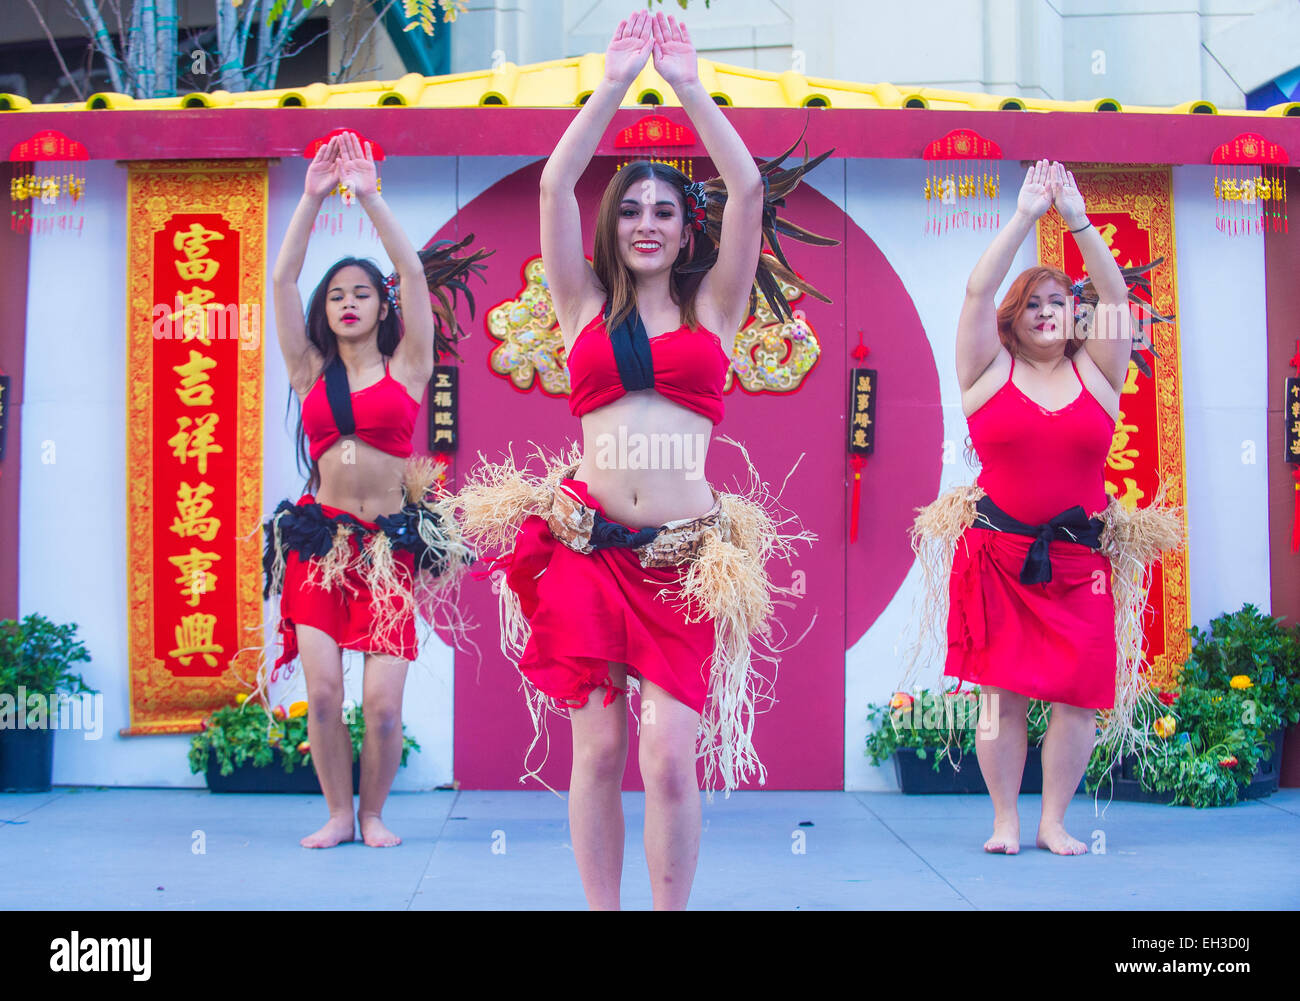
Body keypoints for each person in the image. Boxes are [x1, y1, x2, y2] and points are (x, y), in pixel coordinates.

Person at [453, 9, 830, 908]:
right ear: (611, 226)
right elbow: (554, 185)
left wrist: (692, 88)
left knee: (666, 755)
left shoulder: (716, 310)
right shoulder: (579, 303)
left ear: (684, 227)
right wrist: (617, 82)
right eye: (630, 209)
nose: (647, 222)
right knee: (599, 749)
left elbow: (746, 191)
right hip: (587, 549)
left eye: (664, 209)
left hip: (681, 561)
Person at [938, 159, 1180, 855]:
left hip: (1079, 561)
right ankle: (1005, 820)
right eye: (1034, 303)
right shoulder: (987, 369)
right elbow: (978, 289)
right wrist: (1024, 215)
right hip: (997, 555)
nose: (1047, 312)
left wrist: (1074, 217)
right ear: (1016, 318)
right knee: (997, 695)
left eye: (1057, 302)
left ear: (1075, 314)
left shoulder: (1098, 371)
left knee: (1078, 696)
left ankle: (1053, 819)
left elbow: (1112, 290)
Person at [264, 131, 484, 848]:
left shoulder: (408, 366)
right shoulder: (308, 373)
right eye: (338, 296)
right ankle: (335, 813)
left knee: (383, 707)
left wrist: (370, 195)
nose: (349, 303)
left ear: (380, 306)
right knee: (324, 694)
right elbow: (281, 282)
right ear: (325, 311)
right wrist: (311, 198)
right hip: (321, 543)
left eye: (362, 293)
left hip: (387, 549)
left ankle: (375, 813)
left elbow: (414, 276)